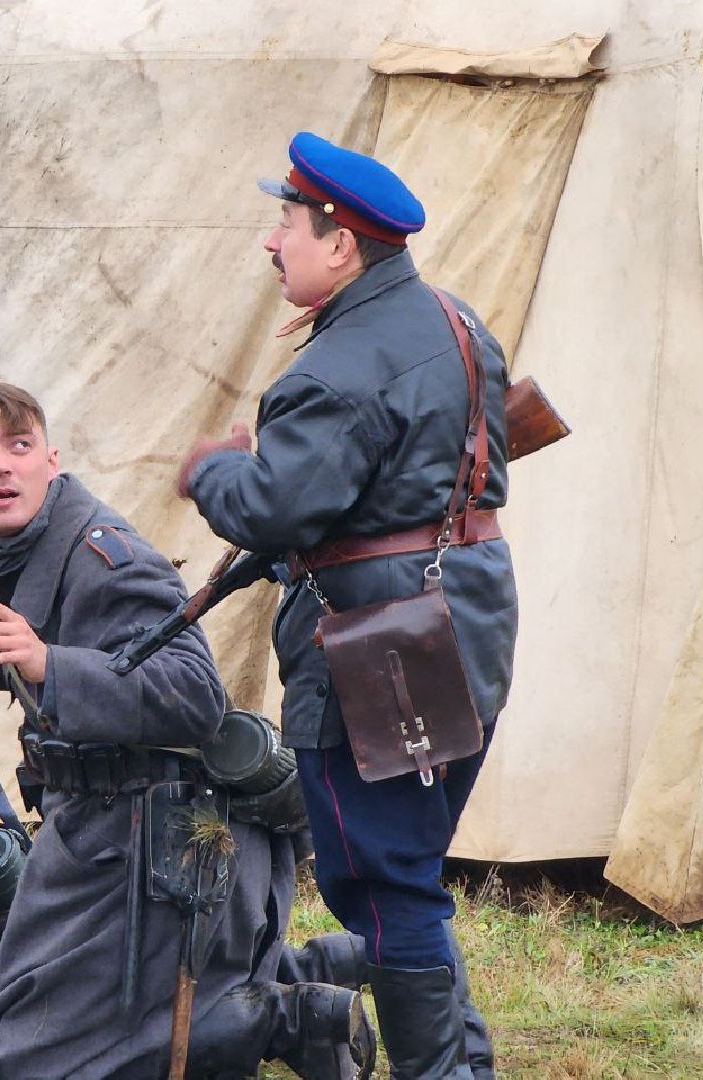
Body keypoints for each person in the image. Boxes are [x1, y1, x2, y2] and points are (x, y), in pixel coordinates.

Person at [0, 382, 375, 1080]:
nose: (1, 466)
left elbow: (193, 696)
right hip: (90, 841)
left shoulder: (103, 555)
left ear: (50, 459)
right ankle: (302, 985)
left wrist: (46, 660)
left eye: (19, 446)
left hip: (164, 850)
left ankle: (290, 1013)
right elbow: (73, 664)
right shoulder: (17, 552)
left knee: (37, 1063)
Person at [177, 133, 518, 1078]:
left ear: (341, 243)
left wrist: (214, 470)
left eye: (286, 223)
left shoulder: (329, 372)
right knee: (405, 875)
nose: (271, 242)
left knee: (382, 883)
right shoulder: (458, 320)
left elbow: (272, 509)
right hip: (471, 620)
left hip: (380, 646)